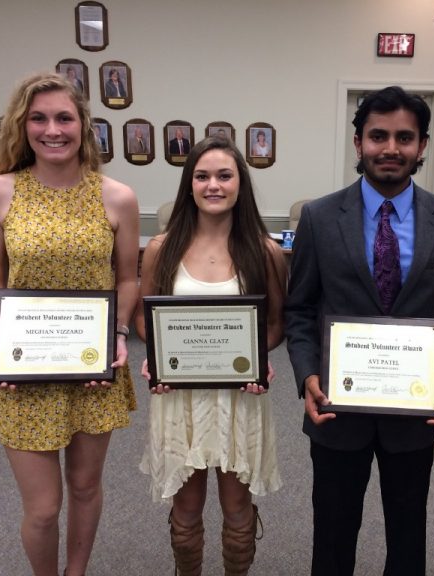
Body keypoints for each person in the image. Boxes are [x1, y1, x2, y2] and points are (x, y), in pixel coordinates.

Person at [284, 85, 434, 575]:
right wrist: (306, 375)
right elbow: (299, 307)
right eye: (378, 136)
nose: (391, 148)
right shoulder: (320, 218)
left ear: (422, 146)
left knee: (408, 532)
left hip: (414, 410)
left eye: (404, 137)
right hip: (336, 408)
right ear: (358, 141)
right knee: (334, 530)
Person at [0, 72, 139, 576]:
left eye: (64, 118)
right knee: (43, 508)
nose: (52, 130)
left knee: (86, 487)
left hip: (92, 365)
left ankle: (77, 572)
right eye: (38, 119)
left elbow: (127, 279)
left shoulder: (117, 197)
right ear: (21, 128)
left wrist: (118, 332)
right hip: (23, 369)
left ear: (83, 125)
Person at [135, 136, 287, 575]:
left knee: (238, 509)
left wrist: (259, 355)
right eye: (202, 176)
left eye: (224, 175)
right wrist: (157, 356)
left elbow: (275, 323)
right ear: (189, 185)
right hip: (178, 395)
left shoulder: (265, 251)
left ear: (241, 184)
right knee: (185, 508)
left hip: (240, 395)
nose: (213, 185)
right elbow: (145, 317)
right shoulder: (162, 247)